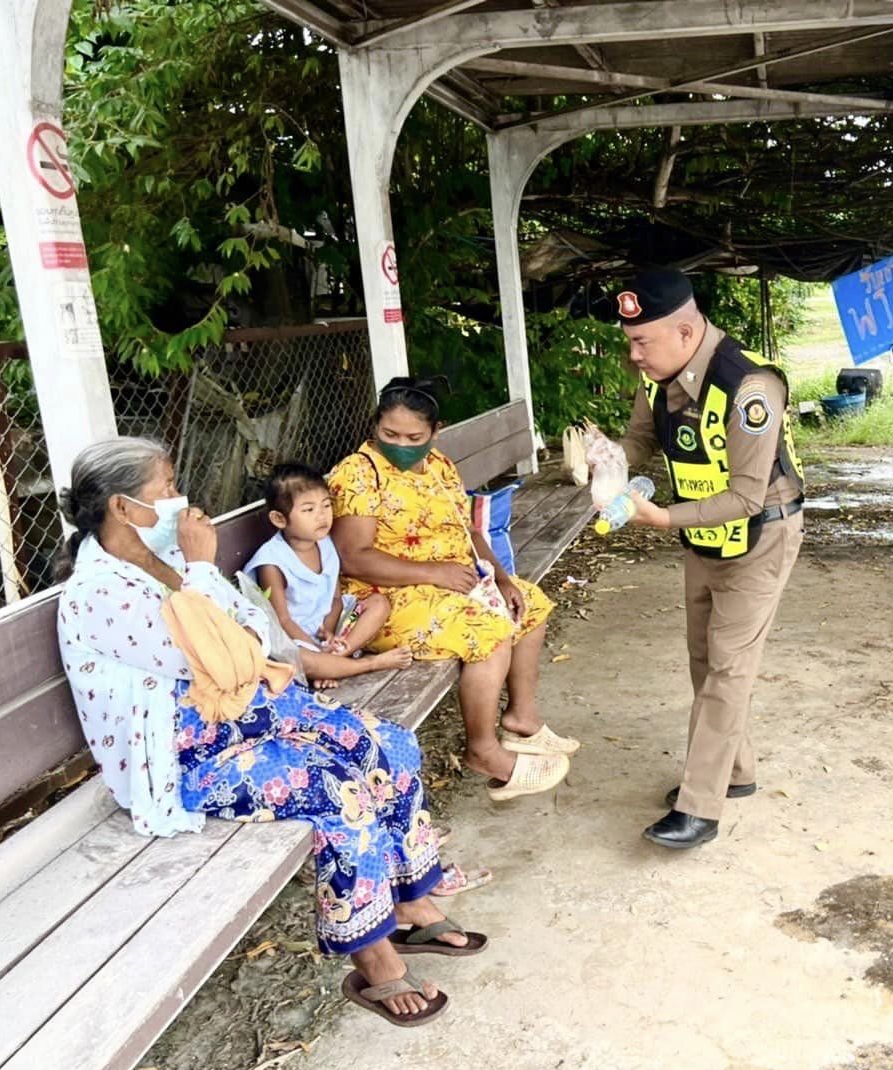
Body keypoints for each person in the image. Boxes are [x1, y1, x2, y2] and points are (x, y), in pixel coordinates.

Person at [56, 436, 484, 1028]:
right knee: (338, 788)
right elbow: (218, 657)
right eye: (168, 489)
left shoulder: (171, 563)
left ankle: (408, 899)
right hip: (190, 757)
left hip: (252, 716)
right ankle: (372, 954)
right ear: (124, 508)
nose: (182, 501)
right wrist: (206, 574)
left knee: (388, 743)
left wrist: (212, 599)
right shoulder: (99, 592)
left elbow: (254, 627)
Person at [612, 269, 806, 850]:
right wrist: (606, 461)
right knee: (703, 657)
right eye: (630, 341)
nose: (634, 354)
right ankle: (735, 771)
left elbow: (747, 495)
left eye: (643, 341)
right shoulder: (658, 376)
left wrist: (663, 518)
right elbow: (641, 440)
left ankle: (701, 807)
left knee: (728, 667)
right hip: (705, 536)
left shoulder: (749, 387)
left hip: (760, 533)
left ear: (687, 331)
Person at [327, 380, 575, 802]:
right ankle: (482, 749)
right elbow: (353, 556)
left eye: (413, 438)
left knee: (529, 604)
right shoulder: (359, 473)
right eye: (390, 435)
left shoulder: (439, 465)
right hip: (384, 598)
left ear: (435, 432)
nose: (401, 445)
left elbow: (467, 530)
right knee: (489, 631)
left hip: (450, 581)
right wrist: (434, 572)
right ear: (374, 427)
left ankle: (521, 717)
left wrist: (499, 577)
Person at [244, 462, 414, 686]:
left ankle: (338, 657)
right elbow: (282, 621)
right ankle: (369, 664)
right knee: (305, 661)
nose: (322, 516)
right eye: (309, 510)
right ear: (279, 519)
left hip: (329, 631)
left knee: (378, 603)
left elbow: (334, 598)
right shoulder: (272, 563)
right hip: (296, 639)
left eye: (326, 505)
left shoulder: (325, 544)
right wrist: (316, 650)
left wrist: (331, 635)